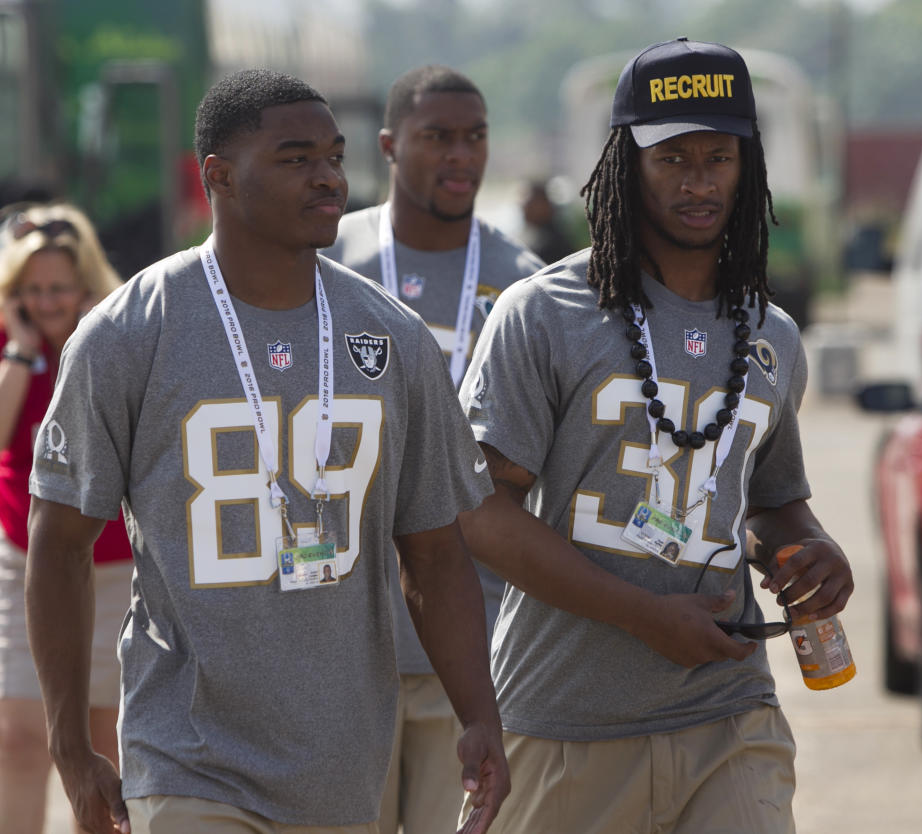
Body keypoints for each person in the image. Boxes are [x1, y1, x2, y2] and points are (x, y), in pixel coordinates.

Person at [25, 69, 508, 834]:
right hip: (186, 758)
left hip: (344, 769)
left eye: (333, 156)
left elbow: (436, 553)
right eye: (294, 158)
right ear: (217, 175)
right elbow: (59, 544)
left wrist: (477, 713)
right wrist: (69, 745)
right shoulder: (129, 332)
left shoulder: (391, 336)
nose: (327, 177)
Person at [457, 38, 854, 834]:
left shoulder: (772, 334)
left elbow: (774, 504)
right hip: (568, 718)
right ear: (624, 164)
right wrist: (640, 613)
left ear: (750, 168)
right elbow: (481, 516)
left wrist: (814, 550)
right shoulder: (544, 313)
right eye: (672, 158)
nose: (700, 181)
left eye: (719, 157)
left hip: (730, 715)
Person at [324, 64, 542, 834]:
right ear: (388, 145)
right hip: (340, 646)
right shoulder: (321, 260)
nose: (460, 156)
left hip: (474, 651)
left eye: (475, 137)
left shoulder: (526, 288)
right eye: (437, 137)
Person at [0, 202, 132, 834]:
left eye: (58, 288)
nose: (46, 301)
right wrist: (22, 354)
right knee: (19, 735)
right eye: (33, 290)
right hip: (21, 558)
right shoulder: (8, 342)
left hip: (109, 564)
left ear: (84, 286)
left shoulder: (112, 335)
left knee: (101, 741)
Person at [517, 179, 575, 265]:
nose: (524, 207)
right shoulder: (539, 238)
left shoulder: (552, 245)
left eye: (530, 202)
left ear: (546, 204)